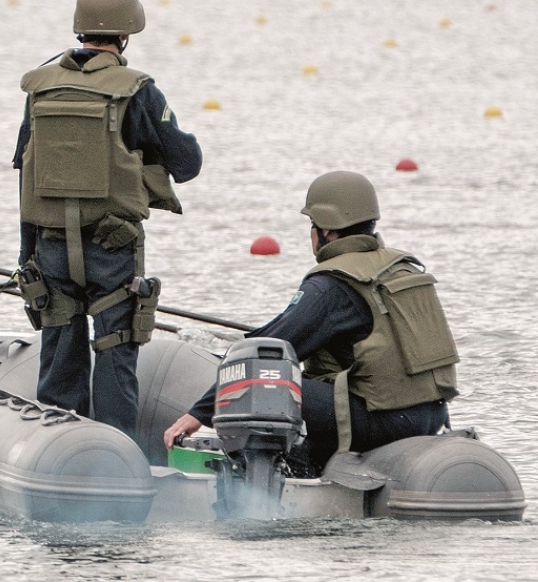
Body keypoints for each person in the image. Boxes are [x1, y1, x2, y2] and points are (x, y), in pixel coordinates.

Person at [164, 170, 460, 475]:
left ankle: (268, 478)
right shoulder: (401, 268)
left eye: (312, 225)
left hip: (382, 421)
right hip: (431, 415)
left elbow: (269, 348)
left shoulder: (332, 286)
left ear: (327, 231)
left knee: (268, 380)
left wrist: (199, 413)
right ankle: (311, 459)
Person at [13, 0, 203, 440]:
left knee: (59, 352)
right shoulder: (138, 90)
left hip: (50, 248)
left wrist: (26, 256)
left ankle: (60, 450)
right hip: (112, 248)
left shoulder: (39, 89)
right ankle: (115, 454)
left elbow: (24, 173)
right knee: (116, 349)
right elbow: (188, 164)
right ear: (126, 32)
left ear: (80, 29)